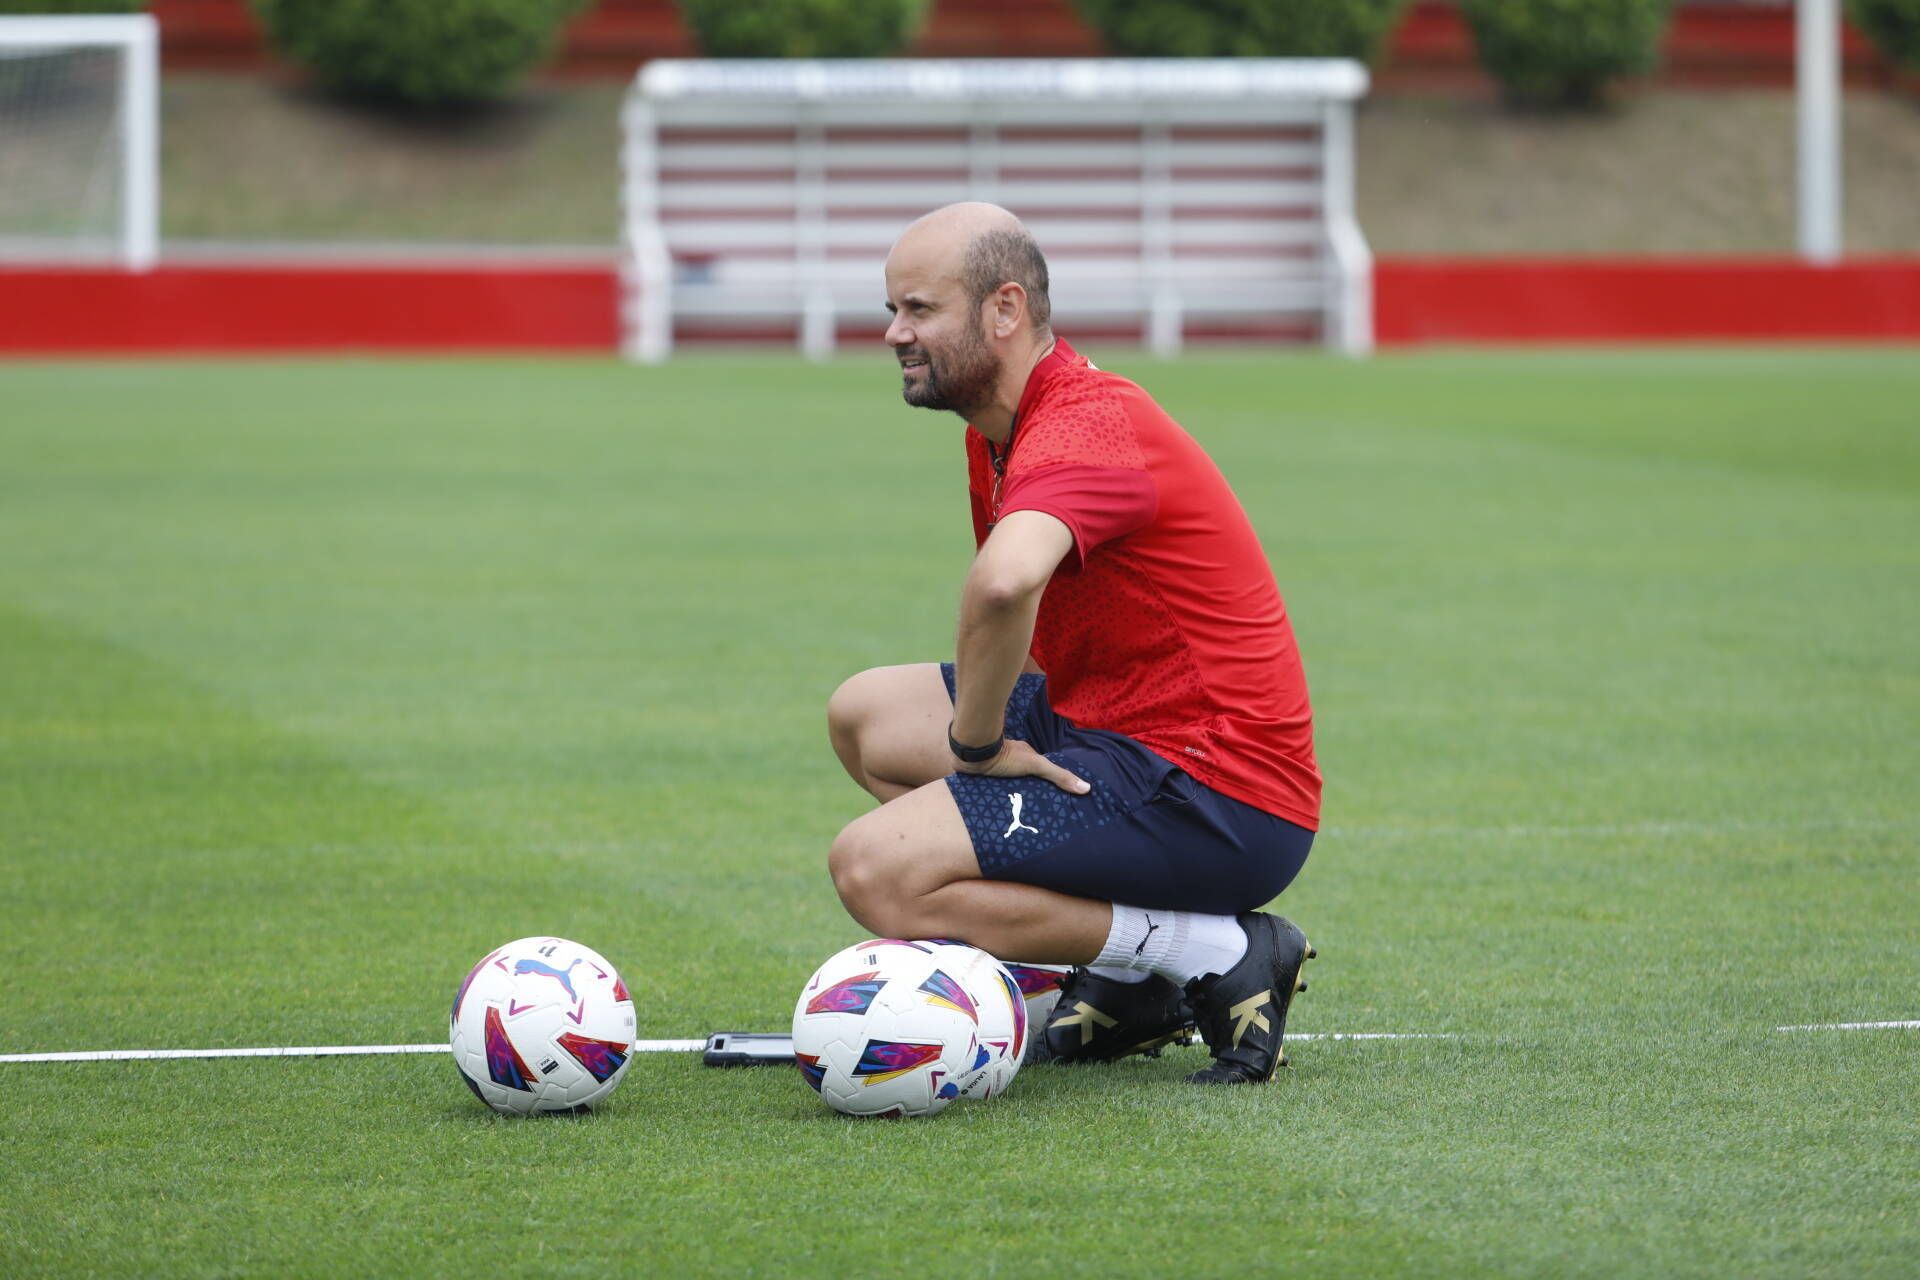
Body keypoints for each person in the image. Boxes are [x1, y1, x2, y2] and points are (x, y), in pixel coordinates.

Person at [825, 202, 1320, 1085]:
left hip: (1216, 784)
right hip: (1117, 727)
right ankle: (1130, 981)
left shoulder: (1084, 423)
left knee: (876, 872)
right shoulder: (1002, 427)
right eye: (892, 310)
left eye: (919, 309)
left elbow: (1005, 584)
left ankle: (1208, 950)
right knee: (866, 716)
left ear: (1004, 310)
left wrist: (976, 749)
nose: (895, 332)